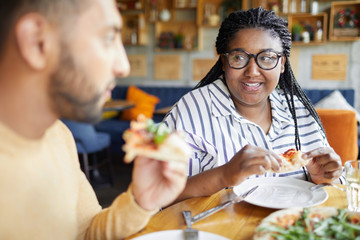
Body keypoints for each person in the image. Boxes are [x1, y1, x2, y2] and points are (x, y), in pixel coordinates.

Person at [0, 0, 187, 239]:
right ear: (37, 42)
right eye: (108, 37)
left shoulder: (59, 135)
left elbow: (86, 231)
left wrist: (142, 201)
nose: (124, 66)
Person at [164, 7, 343, 202]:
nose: (252, 72)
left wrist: (322, 178)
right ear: (224, 61)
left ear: (282, 63)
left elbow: (334, 187)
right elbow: (156, 196)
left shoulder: (298, 111)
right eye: (239, 57)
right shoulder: (190, 111)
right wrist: (223, 175)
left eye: (267, 58)